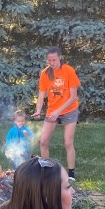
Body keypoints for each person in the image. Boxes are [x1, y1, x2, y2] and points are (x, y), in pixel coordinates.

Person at [32, 47, 80, 179]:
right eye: (49, 60)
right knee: (43, 141)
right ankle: (46, 171)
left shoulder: (68, 70)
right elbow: (41, 95)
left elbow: (73, 97)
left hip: (69, 110)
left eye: (54, 60)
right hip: (52, 111)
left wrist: (59, 111)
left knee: (68, 142)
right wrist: (38, 110)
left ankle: (71, 174)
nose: (51, 63)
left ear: (59, 58)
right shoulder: (45, 73)